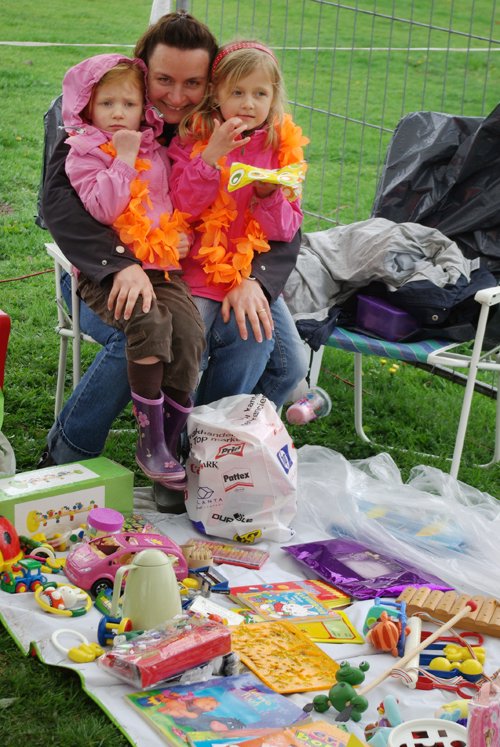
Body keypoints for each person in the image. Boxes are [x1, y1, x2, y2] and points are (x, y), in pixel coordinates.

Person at [40, 12, 309, 510]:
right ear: (143, 71)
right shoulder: (104, 113)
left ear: (212, 84)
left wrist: (256, 280)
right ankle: (68, 458)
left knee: (257, 340)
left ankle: (203, 464)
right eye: (163, 80)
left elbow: (278, 215)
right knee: (144, 333)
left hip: (207, 273)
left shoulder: (225, 125)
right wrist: (121, 264)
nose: (177, 96)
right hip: (101, 271)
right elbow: (59, 207)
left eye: (193, 83)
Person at [59, 53, 205, 488]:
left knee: (189, 332)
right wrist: (121, 159)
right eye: (107, 104)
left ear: (145, 110)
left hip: (161, 267)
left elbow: (170, 207)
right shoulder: (84, 155)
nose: (119, 113)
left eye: (128, 103)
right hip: (106, 275)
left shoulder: (156, 152)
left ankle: (168, 438)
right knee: (148, 323)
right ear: (88, 109)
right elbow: (104, 210)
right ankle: (149, 439)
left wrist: (183, 238)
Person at [168, 40, 307, 345]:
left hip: (248, 276)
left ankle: (239, 397)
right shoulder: (193, 139)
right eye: (237, 92)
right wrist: (209, 158)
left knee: (292, 366)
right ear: (216, 93)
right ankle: (188, 395)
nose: (248, 104)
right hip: (200, 277)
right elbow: (181, 207)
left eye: (260, 94)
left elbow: (285, 231)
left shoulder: (281, 150)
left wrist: (270, 195)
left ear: (273, 98)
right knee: (188, 351)